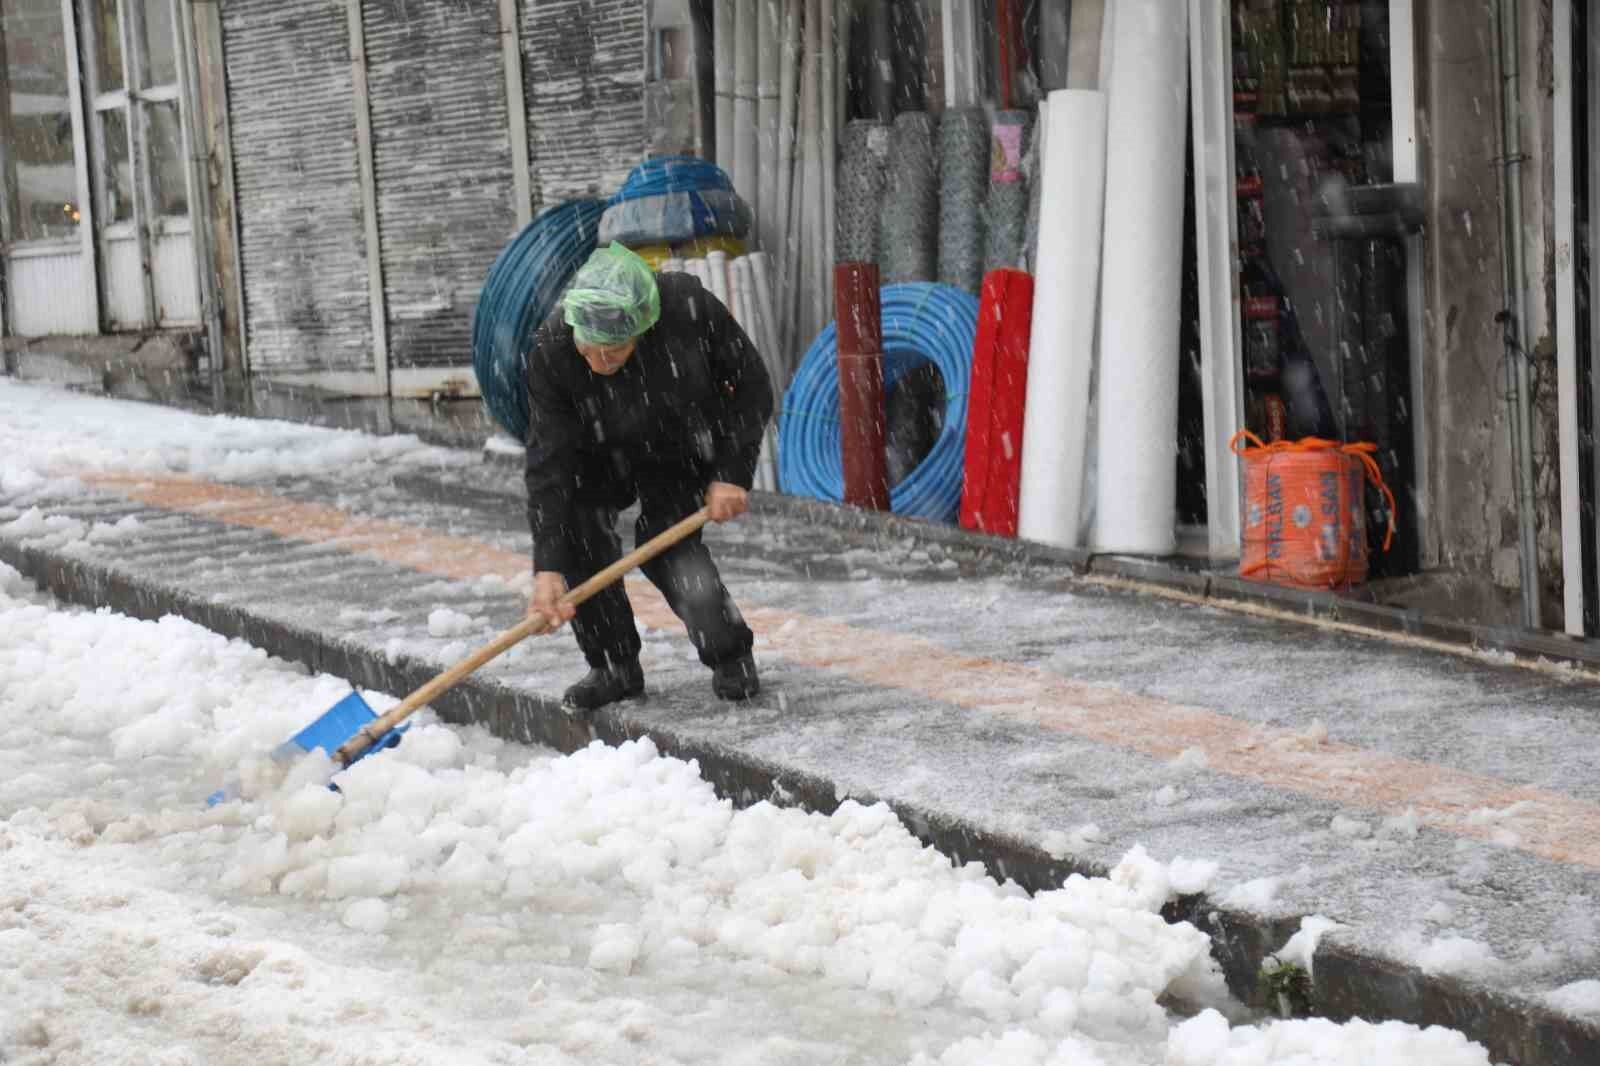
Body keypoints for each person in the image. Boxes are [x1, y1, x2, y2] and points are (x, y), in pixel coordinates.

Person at [524, 243, 774, 710]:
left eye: (614, 351)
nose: (599, 362)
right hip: (595, 454)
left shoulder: (687, 310)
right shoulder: (552, 350)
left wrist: (731, 473)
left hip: (678, 445)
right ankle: (614, 666)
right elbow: (548, 462)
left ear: (642, 328)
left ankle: (729, 653)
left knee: (669, 549)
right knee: (581, 540)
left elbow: (752, 386)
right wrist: (548, 566)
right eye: (589, 350)